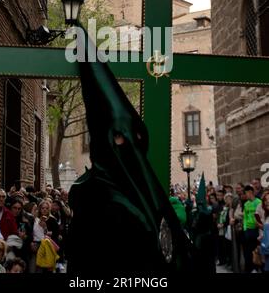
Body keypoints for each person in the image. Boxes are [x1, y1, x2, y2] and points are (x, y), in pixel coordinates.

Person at [67, 27, 193, 276]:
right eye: (118, 137)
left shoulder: (148, 190)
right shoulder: (91, 194)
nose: (129, 144)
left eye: (136, 134)